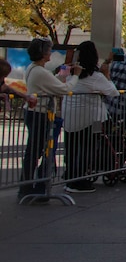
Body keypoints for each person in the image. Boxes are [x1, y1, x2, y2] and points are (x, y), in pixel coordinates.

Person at [60, 41, 120, 193]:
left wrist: (66, 65)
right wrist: (107, 76)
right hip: (90, 117)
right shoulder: (96, 76)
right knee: (87, 147)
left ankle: (70, 176)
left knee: (72, 147)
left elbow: (60, 79)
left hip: (69, 114)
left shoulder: (71, 72)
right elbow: (113, 91)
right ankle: (79, 180)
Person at [19, 38, 72, 202]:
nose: (50, 53)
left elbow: (49, 84)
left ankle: (28, 186)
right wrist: (73, 77)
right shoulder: (40, 72)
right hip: (40, 114)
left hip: (34, 113)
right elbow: (65, 89)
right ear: (43, 53)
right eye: (48, 50)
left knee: (34, 151)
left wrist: (59, 76)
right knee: (38, 151)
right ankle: (31, 187)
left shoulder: (34, 69)